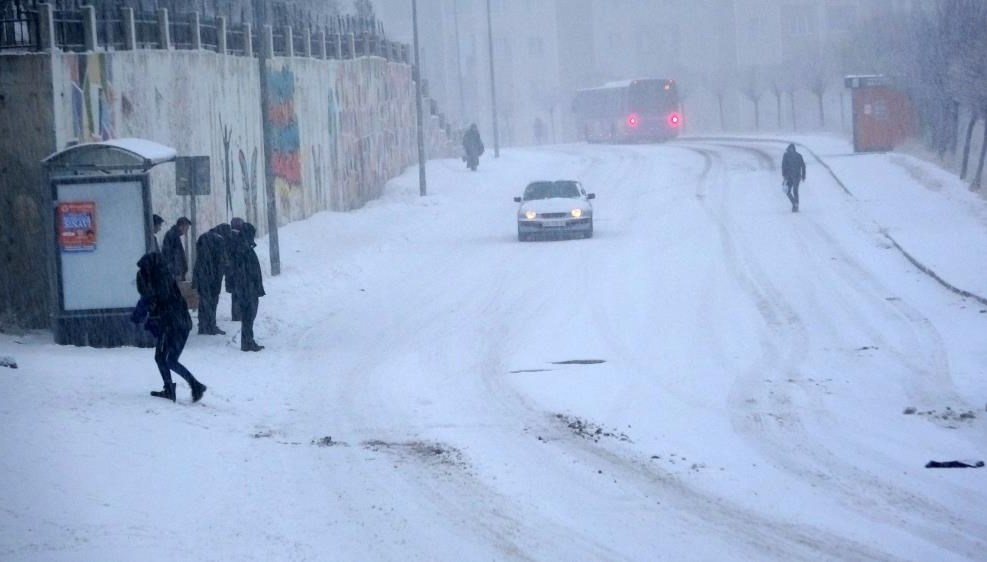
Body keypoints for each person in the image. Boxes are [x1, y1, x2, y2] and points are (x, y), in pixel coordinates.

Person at [133, 252, 207, 403]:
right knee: (169, 359)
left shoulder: (157, 280)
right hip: (181, 323)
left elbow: (150, 299)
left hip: (171, 325)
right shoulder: (164, 276)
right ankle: (190, 386)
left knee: (164, 358)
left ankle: (181, 387)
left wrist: (138, 316)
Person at [192, 223, 232, 335]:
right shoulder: (219, 240)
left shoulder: (203, 237)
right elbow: (222, 261)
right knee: (212, 301)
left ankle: (203, 326)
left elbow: (201, 258)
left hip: (201, 275)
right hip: (212, 277)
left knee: (203, 301)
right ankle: (210, 326)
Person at [231, 222, 265, 352]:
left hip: (247, 288)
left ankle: (248, 341)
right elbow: (243, 271)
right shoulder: (242, 248)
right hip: (247, 289)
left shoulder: (243, 247)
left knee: (249, 316)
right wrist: (249, 287)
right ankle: (247, 342)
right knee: (248, 316)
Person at [227, 217, 245, 322]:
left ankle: (236, 314)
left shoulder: (230, 236)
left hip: (232, 270)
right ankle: (237, 315)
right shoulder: (237, 237)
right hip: (236, 270)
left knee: (235, 293)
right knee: (237, 293)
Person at [781, 143, 807, 212]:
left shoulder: (799, 156)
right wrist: (784, 176)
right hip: (788, 177)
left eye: (792, 148)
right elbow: (783, 166)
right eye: (790, 148)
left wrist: (803, 175)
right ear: (788, 149)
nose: (791, 150)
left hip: (796, 176)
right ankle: (794, 203)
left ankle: (796, 206)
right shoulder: (786, 156)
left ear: (794, 149)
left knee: (795, 191)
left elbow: (803, 166)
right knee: (787, 191)